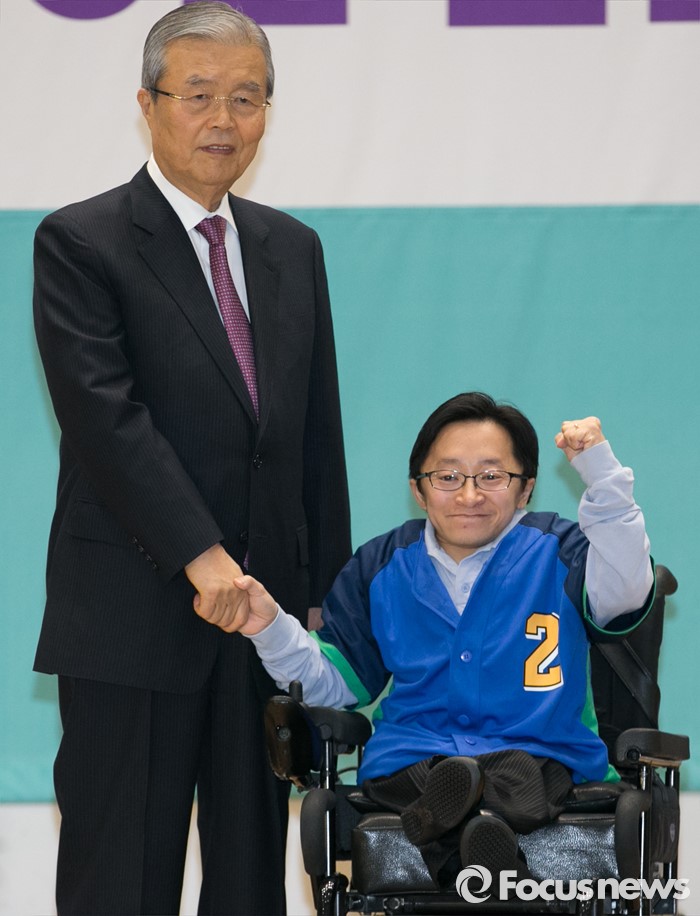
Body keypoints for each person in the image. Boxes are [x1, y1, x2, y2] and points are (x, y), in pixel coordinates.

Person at [32, 3, 350, 914]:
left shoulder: (293, 247)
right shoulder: (81, 241)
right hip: (133, 618)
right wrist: (202, 558)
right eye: (198, 95)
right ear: (149, 103)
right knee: (120, 883)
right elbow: (108, 423)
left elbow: (314, 437)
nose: (223, 119)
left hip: (265, 630)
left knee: (251, 884)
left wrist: (327, 610)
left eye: (246, 99)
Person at [228, 392, 654, 892]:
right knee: (419, 776)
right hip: (415, 756)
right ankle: (491, 861)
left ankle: (441, 829)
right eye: (447, 477)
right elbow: (332, 686)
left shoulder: (563, 550)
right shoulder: (381, 564)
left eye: (491, 476)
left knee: (521, 778)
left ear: (525, 489)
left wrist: (602, 475)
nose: (469, 495)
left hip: (536, 753)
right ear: (418, 489)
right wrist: (268, 626)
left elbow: (626, 588)